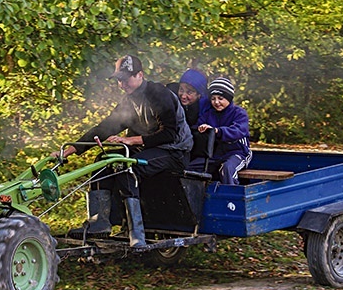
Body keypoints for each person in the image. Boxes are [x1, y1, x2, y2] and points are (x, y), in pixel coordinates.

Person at [54, 55, 193, 248]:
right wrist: (68, 151)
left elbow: (169, 134)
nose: (121, 84)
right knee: (102, 161)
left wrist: (129, 140)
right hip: (147, 150)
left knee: (125, 166)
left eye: (125, 79)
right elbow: (103, 129)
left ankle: (136, 233)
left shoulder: (158, 94)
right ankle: (99, 223)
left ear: (140, 75)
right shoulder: (128, 101)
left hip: (174, 152)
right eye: (119, 79)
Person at [188, 77, 252, 185]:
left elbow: (238, 131)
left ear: (229, 98)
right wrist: (201, 129)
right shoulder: (208, 114)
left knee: (227, 169)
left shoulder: (239, 113)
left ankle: (231, 198)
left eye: (220, 98)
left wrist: (218, 131)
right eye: (213, 99)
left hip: (238, 153)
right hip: (216, 155)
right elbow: (196, 128)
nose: (216, 102)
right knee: (191, 168)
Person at [168, 69, 212, 160]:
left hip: (195, 153)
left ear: (199, 94)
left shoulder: (206, 109)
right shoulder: (172, 100)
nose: (183, 96)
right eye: (181, 90)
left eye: (189, 92)